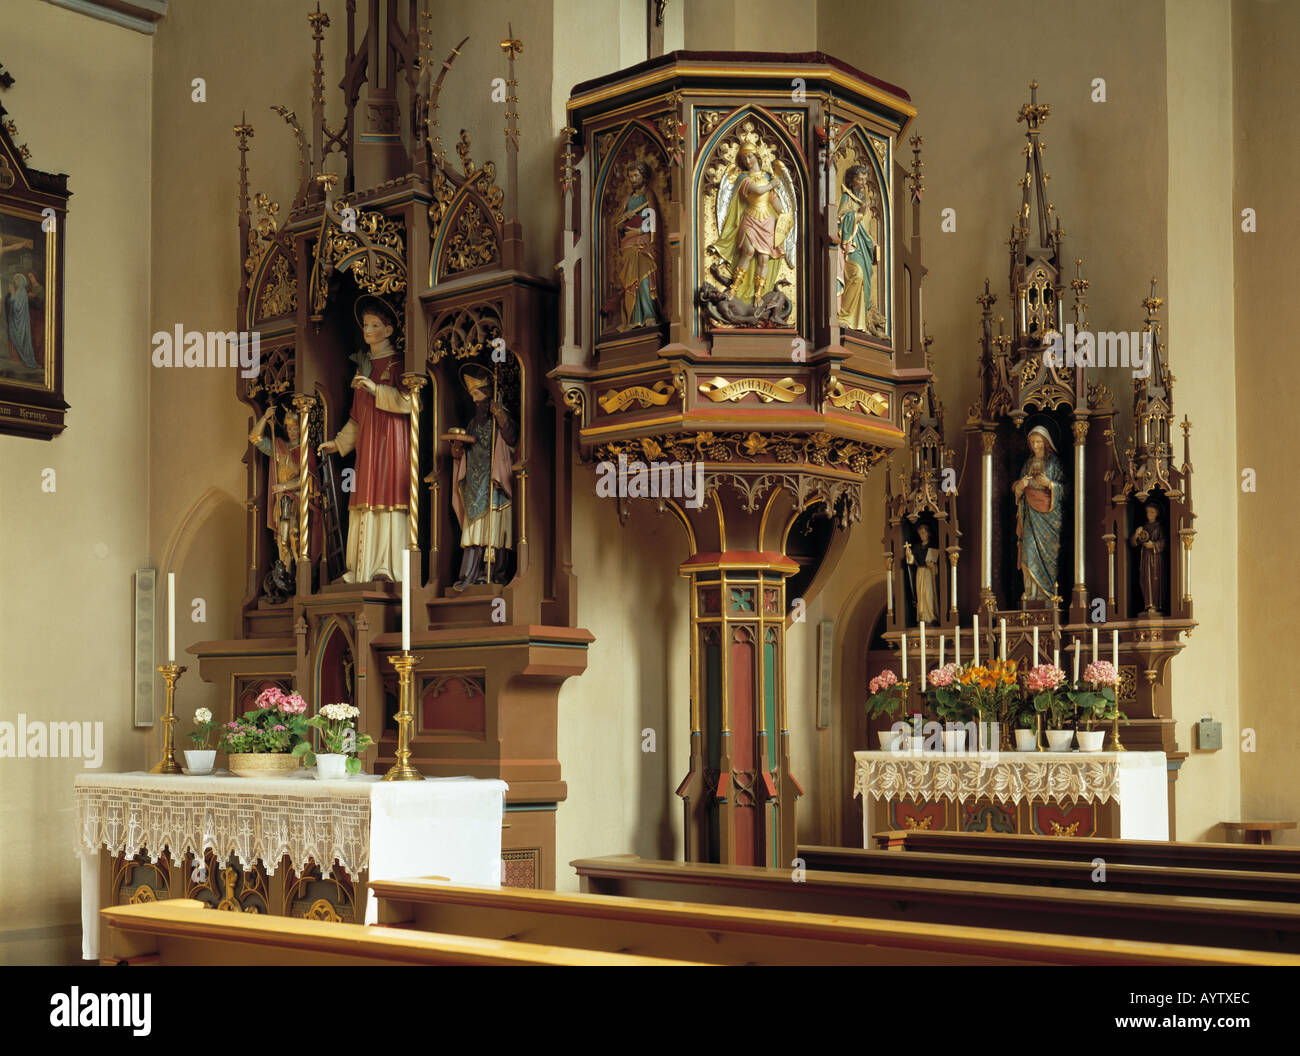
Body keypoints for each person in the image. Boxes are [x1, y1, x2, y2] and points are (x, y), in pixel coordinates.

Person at [318, 297, 411, 583]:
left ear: (389, 330)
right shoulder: (363, 366)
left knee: (387, 497)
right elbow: (357, 417)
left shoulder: (397, 363)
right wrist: (338, 443)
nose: (367, 330)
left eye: (374, 325)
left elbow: (409, 403)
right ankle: (360, 569)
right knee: (363, 499)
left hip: (391, 443)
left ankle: (386, 566)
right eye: (365, 325)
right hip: (368, 445)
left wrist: (376, 389)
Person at [449, 363, 517, 590]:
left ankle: (494, 574)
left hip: (495, 483)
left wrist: (502, 418)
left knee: (495, 529)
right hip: (474, 484)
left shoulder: (500, 417)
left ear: (488, 393)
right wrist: (457, 450)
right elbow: (465, 452)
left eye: (477, 394)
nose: (474, 400)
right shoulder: (472, 423)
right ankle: (469, 574)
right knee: (474, 531)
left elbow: (513, 439)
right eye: (471, 395)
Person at [714, 148, 790, 304]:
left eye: (750, 157)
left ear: (756, 156)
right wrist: (772, 184)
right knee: (748, 251)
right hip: (750, 218)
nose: (747, 161)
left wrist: (782, 213)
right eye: (744, 159)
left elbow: (772, 198)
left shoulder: (768, 176)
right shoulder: (743, 178)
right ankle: (734, 289)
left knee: (763, 259)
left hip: (767, 221)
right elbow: (757, 191)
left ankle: (758, 295)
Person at [1012, 425, 1067, 602]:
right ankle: (1030, 595)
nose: (1035, 446)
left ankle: (1048, 594)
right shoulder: (1027, 465)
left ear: (1046, 442)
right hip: (1030, 517)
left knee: (1050, 555)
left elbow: (1067, 491)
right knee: (1028, 551)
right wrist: (1019, 487)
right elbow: (1018, 491)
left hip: (1050, 519)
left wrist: (1050, 484)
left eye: (1038, 442)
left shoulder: (1054, 464)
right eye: (1032, 443)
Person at [611, 161, 660, 329]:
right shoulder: (627, 199)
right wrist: (625, 215)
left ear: (643, 176)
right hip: (628, 246)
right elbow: (617, 226)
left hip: (643, 244)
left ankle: (649, 315)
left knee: (645, 281)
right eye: (630, 176)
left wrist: (638, 232)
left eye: (636, 176)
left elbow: (653, 220)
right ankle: (634, 318)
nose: (633, 179)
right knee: (631, 284)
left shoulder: (649, 195)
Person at [835, 165, 878, 332]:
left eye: (865, 180)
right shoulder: (847, 198)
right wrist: (857, 215)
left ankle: (858, 322)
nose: (862, 183)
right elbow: (839, 220)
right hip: (850, 249)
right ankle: (843, 316)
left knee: (863, 282)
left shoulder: (864, 203)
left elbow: (867, 230)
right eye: (859, 179)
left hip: (864, 250)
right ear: (851, 180)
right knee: (856, 275)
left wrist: (874, 245)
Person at [1131, 502, 1165, 613]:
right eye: (1148, 512)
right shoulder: (1143, 528)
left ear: (1157, 513)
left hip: (1155, 558)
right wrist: (1136, 535)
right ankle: (1147, 604)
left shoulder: (1159, 527)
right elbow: (1133, 543)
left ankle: (1154, 605)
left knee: (1154, 579)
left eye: (1152, 512)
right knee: (1145, 579)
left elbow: (1164, 542)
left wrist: (1153, 545)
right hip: (1145, 557)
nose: (1149, 514)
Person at [905, 522, 940, 624]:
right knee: (920, 593)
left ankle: (931, 616)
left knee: (928, 593)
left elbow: (934, 561)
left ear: (928, 533)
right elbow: (911, 561)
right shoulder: (916, 547)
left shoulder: (932, 545)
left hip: (929, 572)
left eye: (924, 533)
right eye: (920, 533)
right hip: (920, 572)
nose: (922, 535)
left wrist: (932, 566)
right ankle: (922, 616)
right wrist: (909, 554)